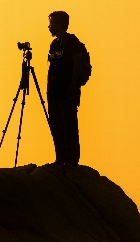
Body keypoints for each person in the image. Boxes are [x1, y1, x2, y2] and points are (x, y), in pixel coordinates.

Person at [47, 11, 83, 167]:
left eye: (51, 23)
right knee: (56, 124)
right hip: (54, 91)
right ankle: (60, 158)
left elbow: (79, 61)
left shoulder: (72, 42)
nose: (49, 26)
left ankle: (71, 160)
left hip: (67, 90)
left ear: (59, 25)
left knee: (69, 125)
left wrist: (74, 84)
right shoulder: (54, 44)